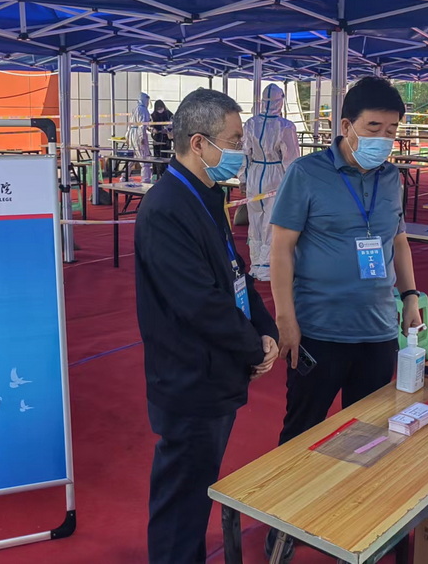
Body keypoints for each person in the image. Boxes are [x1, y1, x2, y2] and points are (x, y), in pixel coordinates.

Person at [266, 77, 422, 560]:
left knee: (367, 435)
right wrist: (285, 318)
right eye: (374, 127)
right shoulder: (307, 173)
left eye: (392, 130)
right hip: (319, 330)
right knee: (303, 429)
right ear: (346, 125)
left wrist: (410, 296)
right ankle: (284, 524)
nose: (384, 139)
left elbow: (398, 240)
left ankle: (351, 524)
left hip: (377, 331)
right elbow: (281, 248)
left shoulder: (391, 178)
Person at [135, 88, 280, 564]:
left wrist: (266, 329)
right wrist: (253, 346)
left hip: (215, 370)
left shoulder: (205, 196)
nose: (242, 150)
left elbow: (236, 273)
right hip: (189, 377)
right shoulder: (165, 208)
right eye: (234, 140)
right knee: (182, 500)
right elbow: (198, 302)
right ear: (199, 143)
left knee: (197, 488)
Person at [238, 84, 300, 281]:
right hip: (275, 174)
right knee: (271, 221)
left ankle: (256, 263)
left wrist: (243, 178)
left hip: (255, 173)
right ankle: (266, 267)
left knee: (255, 218)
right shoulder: (285, 126)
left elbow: (243, 153)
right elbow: (290, 158)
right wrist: (294, 183)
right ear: (280, 101)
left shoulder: (251, 123)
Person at [128, 92, 153, 183]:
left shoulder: (134, 109)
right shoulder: (143, 110)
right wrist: (142, 137)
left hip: (132, 134)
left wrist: (127, 136)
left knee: (132, 156)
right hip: (138, 134)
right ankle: (145, 179)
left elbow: (130, 124)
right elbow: (142, 125)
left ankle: (124, 176)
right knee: (144, 156)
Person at [150, 99, 173, 176]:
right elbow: (148, 126)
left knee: (166, 157)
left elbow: (173, 124)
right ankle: (156, 174)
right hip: (157, 139)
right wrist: (153, 130)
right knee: (156, 158)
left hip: (166, 139)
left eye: (161, 108)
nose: (160, 110)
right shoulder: (153, 116)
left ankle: (165, 174)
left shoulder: (169, 114)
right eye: (158, 108)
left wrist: (167, 130)